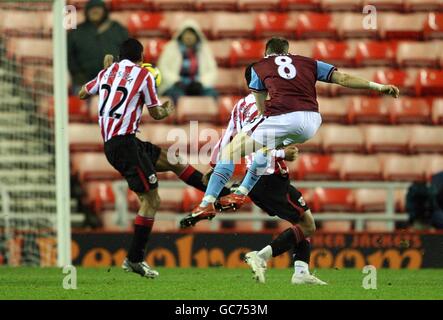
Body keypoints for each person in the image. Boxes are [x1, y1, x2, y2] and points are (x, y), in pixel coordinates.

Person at [190, 36, 400, 259]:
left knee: (231, 151)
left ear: (266, 52)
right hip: (311, 123)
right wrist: (379, 87)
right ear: (288, 51)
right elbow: (343, 78)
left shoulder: (259, 68)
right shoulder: (308, 62)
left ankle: (208, 202)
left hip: (283, 118)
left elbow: (262, 109)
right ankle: (242, 192)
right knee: (265, 145)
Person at [180, 65, 326, 285]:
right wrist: (282, 152)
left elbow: (228, 137)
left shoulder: (240, 106)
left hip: (258, 178)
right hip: (268, 176)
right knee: (307, 224)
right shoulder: (272, 105)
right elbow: (263, 145)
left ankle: (301, 271)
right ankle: (261, 256)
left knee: (299, 218)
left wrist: (214, 165)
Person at [78, 38, 178, 279]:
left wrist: (104, 72)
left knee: (151, 198)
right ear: (142, 57)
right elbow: (156, 114)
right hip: (125, 143)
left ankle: (134, 258)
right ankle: (134, 259)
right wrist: (166, 109)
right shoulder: (144, 77)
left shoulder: (107, 73)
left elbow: (82, 93)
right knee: (152, 199)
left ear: (120, 56)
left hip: (114, 144)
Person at [68, 0, 128, 93]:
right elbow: (70, 56)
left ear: (104, 11)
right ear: (86, 12)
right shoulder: (77, 32)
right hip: (84, 82)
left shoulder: (118, 29)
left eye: (98, 8)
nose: (95, 11)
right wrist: (77, 75)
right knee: (80, 105)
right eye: (92, 9)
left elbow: (128, 51)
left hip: (114, 80)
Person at [157, 20, 218, 103]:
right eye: (187, 34)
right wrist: (176, 81)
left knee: (212, 94)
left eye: (192, 34)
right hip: (175, 86)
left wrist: (201, 83)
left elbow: (212, 70)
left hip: (198, 86)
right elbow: (163, 68)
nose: (189, 36)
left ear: (197, 36)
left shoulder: (204, 50)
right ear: (181, 35)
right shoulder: (170, 48)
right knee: (177, 96)